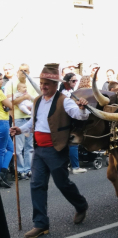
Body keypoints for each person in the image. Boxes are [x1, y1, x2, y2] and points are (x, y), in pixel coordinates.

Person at [10, 63, 90, 238]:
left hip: (57, 149)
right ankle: (41, 224)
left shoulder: (65, 100)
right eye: (42, 83)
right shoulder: (37, 100)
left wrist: (83, 108)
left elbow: (79, 115)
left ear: (55, 85)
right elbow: (34, 123)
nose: (43, 86)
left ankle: (81, 205)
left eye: (47, 83)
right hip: (39, 150)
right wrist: (20, 129)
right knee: (37, 185)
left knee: (62, 183)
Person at [5, 63, 38, 180]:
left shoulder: (32, 83)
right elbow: (9, 102)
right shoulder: (11, 83)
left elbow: (37, 99)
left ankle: (28, 169)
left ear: (29, 72)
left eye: (26, 70)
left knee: (29, 145)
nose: (23, 72)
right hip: (18, 118)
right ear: (18, 71)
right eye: (21, 70)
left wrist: (30, 102)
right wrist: (23, 98)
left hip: (30, 118)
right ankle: (19, 170)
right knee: (18, 147)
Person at [59, 73, 87, 175]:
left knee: (70, 144)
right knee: (72, 144)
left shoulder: (71, 92)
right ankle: (75, 166)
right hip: (66, 120)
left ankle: (69, 165)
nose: (75, 83)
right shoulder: (64, 93)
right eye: (73, 81)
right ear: (66, 82)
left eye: (76, 81)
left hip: (71, 119)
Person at [0, 81, 13, 188]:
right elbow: (10, 105)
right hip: (2, 121)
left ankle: (3, 172)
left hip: (3, 122)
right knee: (1, 150)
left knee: (10, 148)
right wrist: (7, 106)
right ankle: (1, 177)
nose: (1, 81)